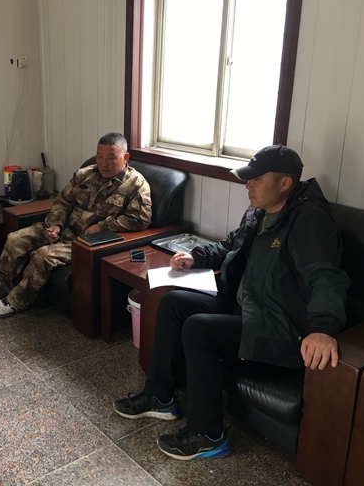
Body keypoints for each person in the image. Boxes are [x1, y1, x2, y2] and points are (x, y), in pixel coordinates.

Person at [113, 144, 350, 460]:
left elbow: (326, 277)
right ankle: (159, 396)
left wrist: (322, 328)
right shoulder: (259, 211)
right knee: (173, 304)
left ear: (285, 183)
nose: (248, 185)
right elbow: (229, 246)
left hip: (279, 327)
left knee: (199, 329)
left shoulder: (309, 220)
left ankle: (209, 434)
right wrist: (196, 258)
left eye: (256, 179)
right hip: (248, 309)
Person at [0, 132, 152, 318]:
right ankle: (1, 289)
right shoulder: (84, 175)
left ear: (125, 157)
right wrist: (56, 225)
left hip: (85, 242)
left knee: (43, 255)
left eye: (111, 157)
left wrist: (102, 227)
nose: (103, 163)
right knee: (15, 239)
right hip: (64, 229)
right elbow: (62, 202)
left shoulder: (136, 185)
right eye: (99, 156)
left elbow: (140, 219)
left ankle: (17, 300)